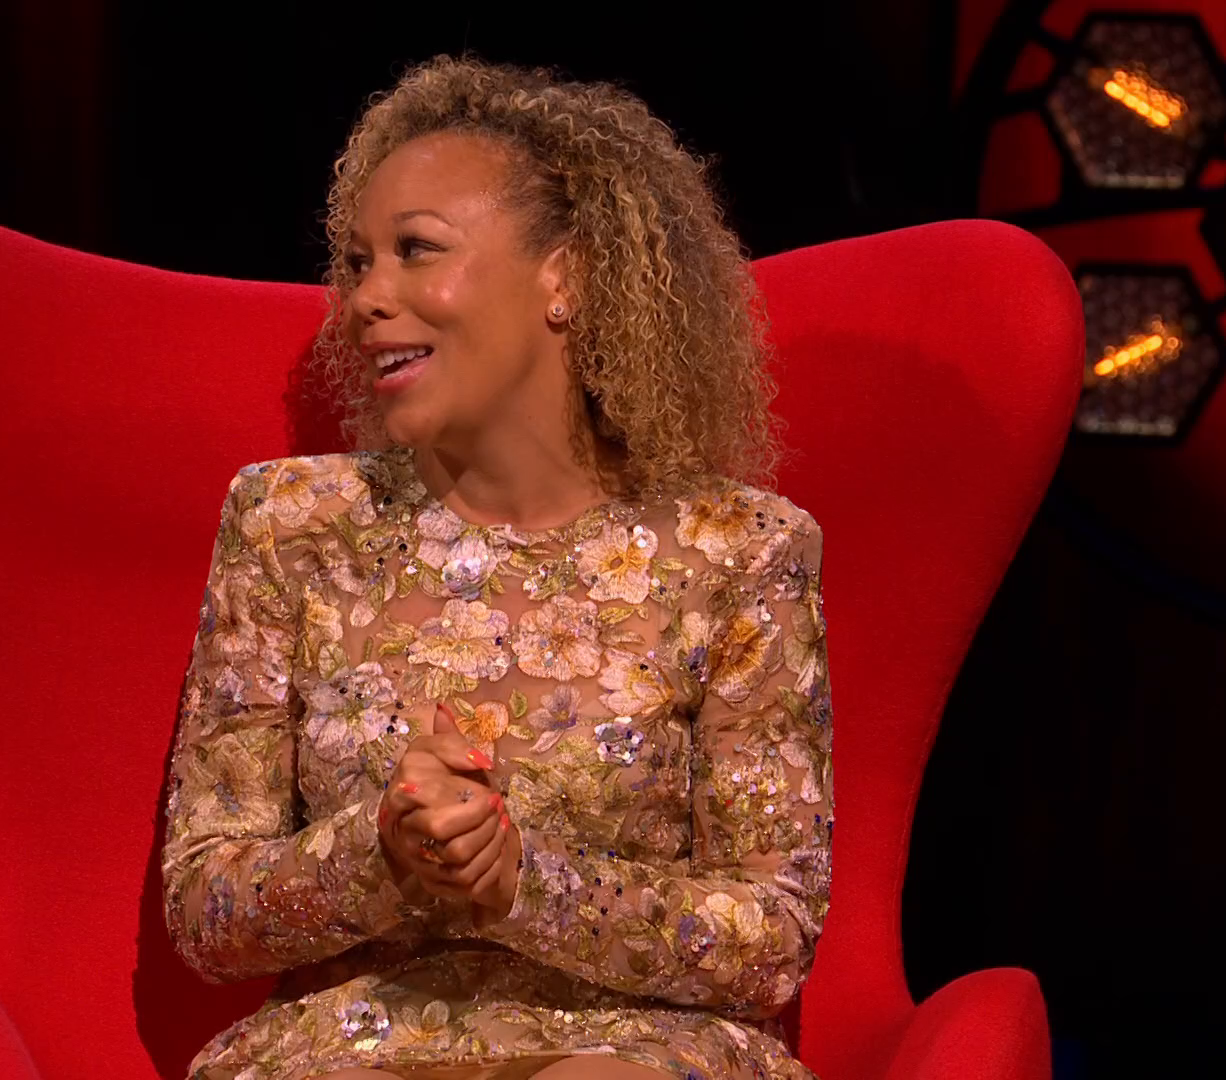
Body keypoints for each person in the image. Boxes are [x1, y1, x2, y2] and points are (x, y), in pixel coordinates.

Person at [161, 54, 834, 1080]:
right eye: (357, 263)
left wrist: (526, 882)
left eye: (416, 251)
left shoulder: (739, 551)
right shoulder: (290, 526)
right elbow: (205, 910)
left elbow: (770, 938)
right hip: (348, 1050)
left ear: (566, 278)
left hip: (635, 1049)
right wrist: (381, 855)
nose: (365, 298)